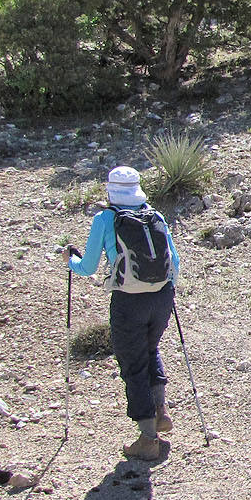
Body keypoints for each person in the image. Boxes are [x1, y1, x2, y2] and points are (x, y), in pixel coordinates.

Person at [66, 166, 181, 461]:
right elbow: (175, 263)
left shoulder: (106, 219)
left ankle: (147, 439)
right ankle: (160, 411)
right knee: (150, 348)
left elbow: (88, 267)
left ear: (111, 190)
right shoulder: (155, 216)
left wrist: (71, 260)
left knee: (132, 363)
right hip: (162, 297)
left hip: (128, 301)